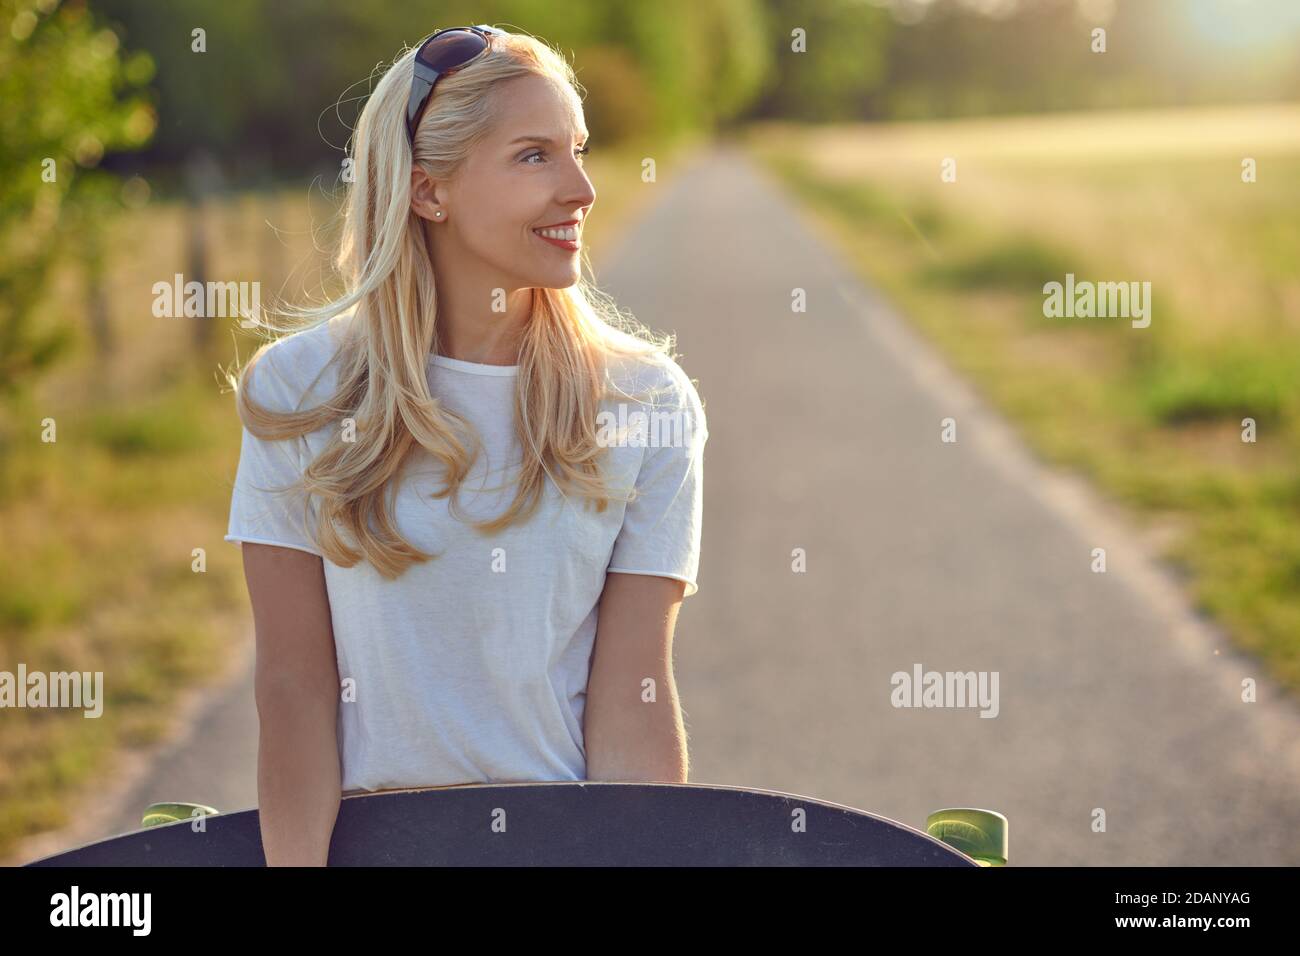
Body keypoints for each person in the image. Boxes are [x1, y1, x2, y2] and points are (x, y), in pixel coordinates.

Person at [222, 26, 708, 865]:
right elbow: (294, 689)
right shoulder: (297, 394)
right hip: (373, 845)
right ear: (427, 191)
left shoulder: (645, 402)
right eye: (535, 157)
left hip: (568, 846)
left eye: (579, 150)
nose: (583, 188)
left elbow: (634, 692)